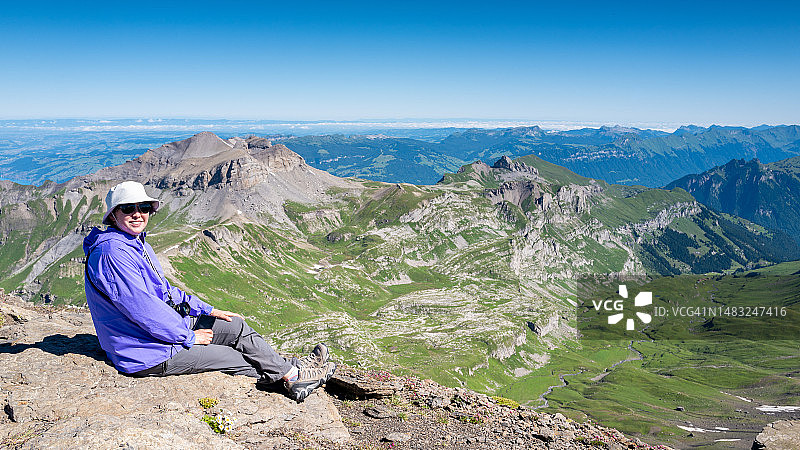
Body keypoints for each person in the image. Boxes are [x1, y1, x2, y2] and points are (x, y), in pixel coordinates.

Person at [83, 181, 335, 402]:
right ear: (113, 215)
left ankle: (293, 371)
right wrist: (187, 336)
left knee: (234, 325)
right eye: (128, 208)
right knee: (232, 356)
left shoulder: (135, 244)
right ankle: (293, 378)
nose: (138, 214)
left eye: (144, 208)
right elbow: (143, 309)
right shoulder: (112, 254)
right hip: (147, 351)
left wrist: (207, 310)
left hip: (158, 334)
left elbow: (164, 291)